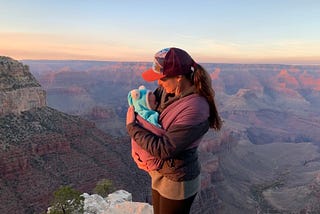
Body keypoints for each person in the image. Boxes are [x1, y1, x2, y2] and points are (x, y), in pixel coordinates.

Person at [126, 47, 222, 214]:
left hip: (178, 179)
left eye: (162, 78)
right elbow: (147, 109)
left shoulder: (196, 107)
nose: (158, 83)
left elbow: (164, 149)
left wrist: (132, 127)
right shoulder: (166, 91)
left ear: (179, 77)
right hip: (160, 172)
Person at [127, 85, 164, 172]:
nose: (157, 103)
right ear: (144, 105)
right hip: (153, 158)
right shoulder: (149, 117)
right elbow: (157, 131)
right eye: (154, 102)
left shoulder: (138, 115)